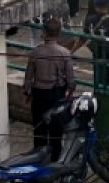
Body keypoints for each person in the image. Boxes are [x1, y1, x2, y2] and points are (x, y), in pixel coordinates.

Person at [23, 17, 75, 160]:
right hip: (57, 96)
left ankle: (38, 158)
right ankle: (55, 159)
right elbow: (71, 81)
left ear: (43, 33)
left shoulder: (35, 53)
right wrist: (68, 95)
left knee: (39, 129)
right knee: (56, 131)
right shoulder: (65, 53)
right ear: (58, 34)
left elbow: (28, 78)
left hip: (39, 95)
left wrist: (28, 93)